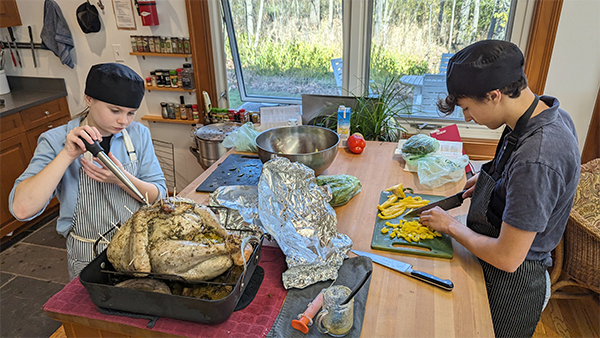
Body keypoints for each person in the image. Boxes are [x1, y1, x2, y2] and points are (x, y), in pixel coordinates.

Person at [420, 40, 580, 338]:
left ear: (494, 95)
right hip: (494, 262)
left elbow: (507, 258)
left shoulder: (539, 157)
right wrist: (490, 177)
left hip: (514, 282)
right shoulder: (536, 114)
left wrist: (450, 226)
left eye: (467, 107)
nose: (466, 117)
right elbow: (517, 168)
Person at [9, 63, 167, 280]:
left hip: (138, 248)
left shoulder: (138, 134)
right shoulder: (56, 140)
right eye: (115, 111)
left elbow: (158, 195)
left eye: (131, 113)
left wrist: (122, 179)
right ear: (89, 99)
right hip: (89, 254)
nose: (124, 121)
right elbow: (22, 209)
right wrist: (67, 155)